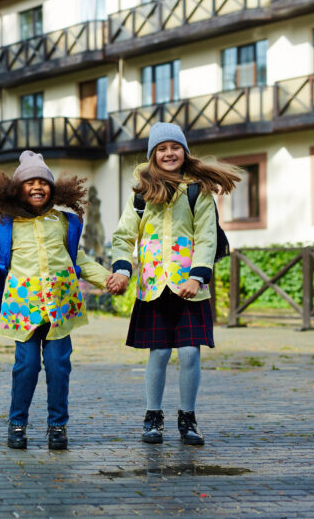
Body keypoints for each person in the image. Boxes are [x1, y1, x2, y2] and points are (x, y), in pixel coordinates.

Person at [0, 151, 110, 450]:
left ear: (53, 188)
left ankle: (57, 426)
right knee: (26, 367)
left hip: (60, 308)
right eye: (30, 182)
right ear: (16, 189)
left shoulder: (64, 222)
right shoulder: (7, 224)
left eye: (43, 182)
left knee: (58, 366)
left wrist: (108, 279)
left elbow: (81, 262)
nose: (38, 187)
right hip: (23, 310)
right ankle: (17, 423)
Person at [106, 122, 240, 446]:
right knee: (160, 353)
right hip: (153, 287)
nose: (169, 153)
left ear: (184, 152)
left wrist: (197, 277)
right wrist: (122, 270)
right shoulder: (140, 193)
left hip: (189, 289)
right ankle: (153, 418)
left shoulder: (198, 191)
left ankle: (188, 419)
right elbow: (124, 237)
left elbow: (207, 238)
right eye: (162, 149)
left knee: (191, 354)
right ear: (153, 155)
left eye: (175, 147)